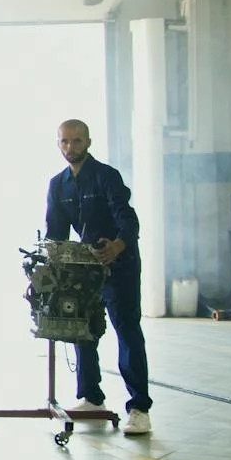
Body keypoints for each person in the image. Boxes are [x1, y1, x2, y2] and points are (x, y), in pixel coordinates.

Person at [44, 119, 152, 435]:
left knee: (127, 330)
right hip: (85, 270)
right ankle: (91, 398)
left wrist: (117, 246)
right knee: (83, 329)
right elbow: (56, 233)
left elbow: (128, 221)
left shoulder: (106, 177)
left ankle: (140, 408)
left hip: (120, 265)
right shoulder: (58, 185)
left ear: (88, 142)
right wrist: (54, 262)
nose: (70, 148)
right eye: (64, 141)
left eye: (77, 141)